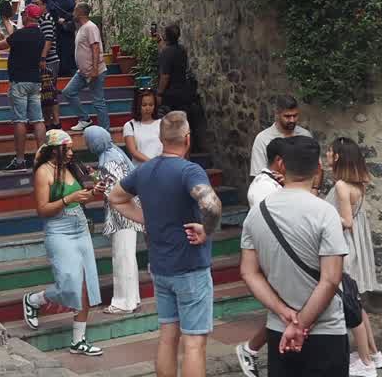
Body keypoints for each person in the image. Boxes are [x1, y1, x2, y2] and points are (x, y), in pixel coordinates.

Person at [109, 112, 222, 377]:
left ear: (160, 138)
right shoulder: (189, 170)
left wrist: (144, 218)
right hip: (190, 267)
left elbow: (115, 197)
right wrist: (206, 230)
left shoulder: (144, 170)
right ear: (187, 138)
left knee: (167, 337)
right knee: (194, 343)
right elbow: (211, 204)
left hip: (160, 267)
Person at [240, 135, 350, 377]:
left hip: (279, 328)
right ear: (318, 167)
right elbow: (331, 279)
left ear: (282, 166)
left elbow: (249, 272)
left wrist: (283, 312)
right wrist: (302, 324)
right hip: (326, 329)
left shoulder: (257, 214)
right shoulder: (325, 214)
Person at [21, 130, 105, 356]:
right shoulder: (43, 172)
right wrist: (69, 198)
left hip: (80, 228)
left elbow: (81, 198)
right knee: (69, 284)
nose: (70, 152)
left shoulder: (70, 168)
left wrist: (93, 192)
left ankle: (79, 340)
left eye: (70, 148)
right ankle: (35, 300)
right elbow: (42, 209)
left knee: (85, 283)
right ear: (53, 149)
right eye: (66, 149)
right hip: (58, 231)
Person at [324, 138, 382, 376]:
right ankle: (373, 353)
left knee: (352, 306)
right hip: (352, 246)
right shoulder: (357, 184)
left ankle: (366, 361)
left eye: (329, 151)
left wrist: (321, 212)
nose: (326, 155)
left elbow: (346, 222)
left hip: (343, 247)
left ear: (337, 156)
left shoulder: (341, 185)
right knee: (357, 304)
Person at [235, 137, 290, 377]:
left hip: (281, 257)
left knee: (286, 312)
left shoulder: (277, 183)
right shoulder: (262, 187)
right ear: (279, 161)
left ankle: (253, 348)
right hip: (273, 258)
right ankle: (250, 348)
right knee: (284, 311)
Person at [85, 125, 143, 314]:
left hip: (122, 214)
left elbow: (114, 189)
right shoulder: (116, 152)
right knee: (128, 257)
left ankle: (122, 303)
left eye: (88, 141)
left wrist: (96, 182)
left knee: (122, 257)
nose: (87, 144)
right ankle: (132, 299)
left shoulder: (108, 159)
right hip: (130, 211)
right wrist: (96, 175)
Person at [0, 4, 49, 171]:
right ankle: (42, 158)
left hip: (19, 80)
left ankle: (20, 160)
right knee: (38, 119)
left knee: (20, 120)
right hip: (35, 80)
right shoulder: (41, 36)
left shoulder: (20, 34)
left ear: (27, 16)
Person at [63, 4, 109, 132]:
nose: (72, 13)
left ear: (80, 12)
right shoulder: (81, 28)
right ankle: (85, 119)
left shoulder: (90, 27)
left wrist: (94, 69)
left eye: (74, 11)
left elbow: (95, 47)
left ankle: (105, 131)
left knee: (98, 101)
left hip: (94, 71)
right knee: (68, 92)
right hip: (83, 72)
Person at [250, 97, 312, 178]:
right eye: (287, 116)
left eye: (295, 115)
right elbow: (257, 176)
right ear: (277, 114)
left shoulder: (305, 135)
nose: (292, 120)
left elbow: (313, 168)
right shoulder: (263, 139)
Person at [32, 0, 63, 130]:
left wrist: (42, 58)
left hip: (49, 61)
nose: (35, 6)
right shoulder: (41, 19)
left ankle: (54, 122)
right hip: (47, 60)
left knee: (49, 92)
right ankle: (50, 122)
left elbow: (48, 40)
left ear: (44, 5)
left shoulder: (46, 19)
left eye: (38, 3)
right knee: (47, 93)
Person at [157, 24, 195, 114]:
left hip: (170, 95)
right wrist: (159, 41)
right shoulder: (182, 49)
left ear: (166, 36)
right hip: (183, 91)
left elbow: (165, 76)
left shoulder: (166, 53)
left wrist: (159, 93)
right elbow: (168, 53)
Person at [46, 0, 77, 76]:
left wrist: (65, 19)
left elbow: (73, 11)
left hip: (66, 27)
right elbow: (47, 9)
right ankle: (57, 72)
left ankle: (68, 71)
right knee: (56, 49)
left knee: (67, 49)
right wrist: (56, 19)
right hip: (53, 27)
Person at [124, 90, 163, 163]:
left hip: (160, 167)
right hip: (141, 169)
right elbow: (133, 151)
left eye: (151, 105)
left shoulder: (161, 123)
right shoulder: (130, 125)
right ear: (138, 106)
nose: (148, 108)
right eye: (144, 105)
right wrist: (151, 163)